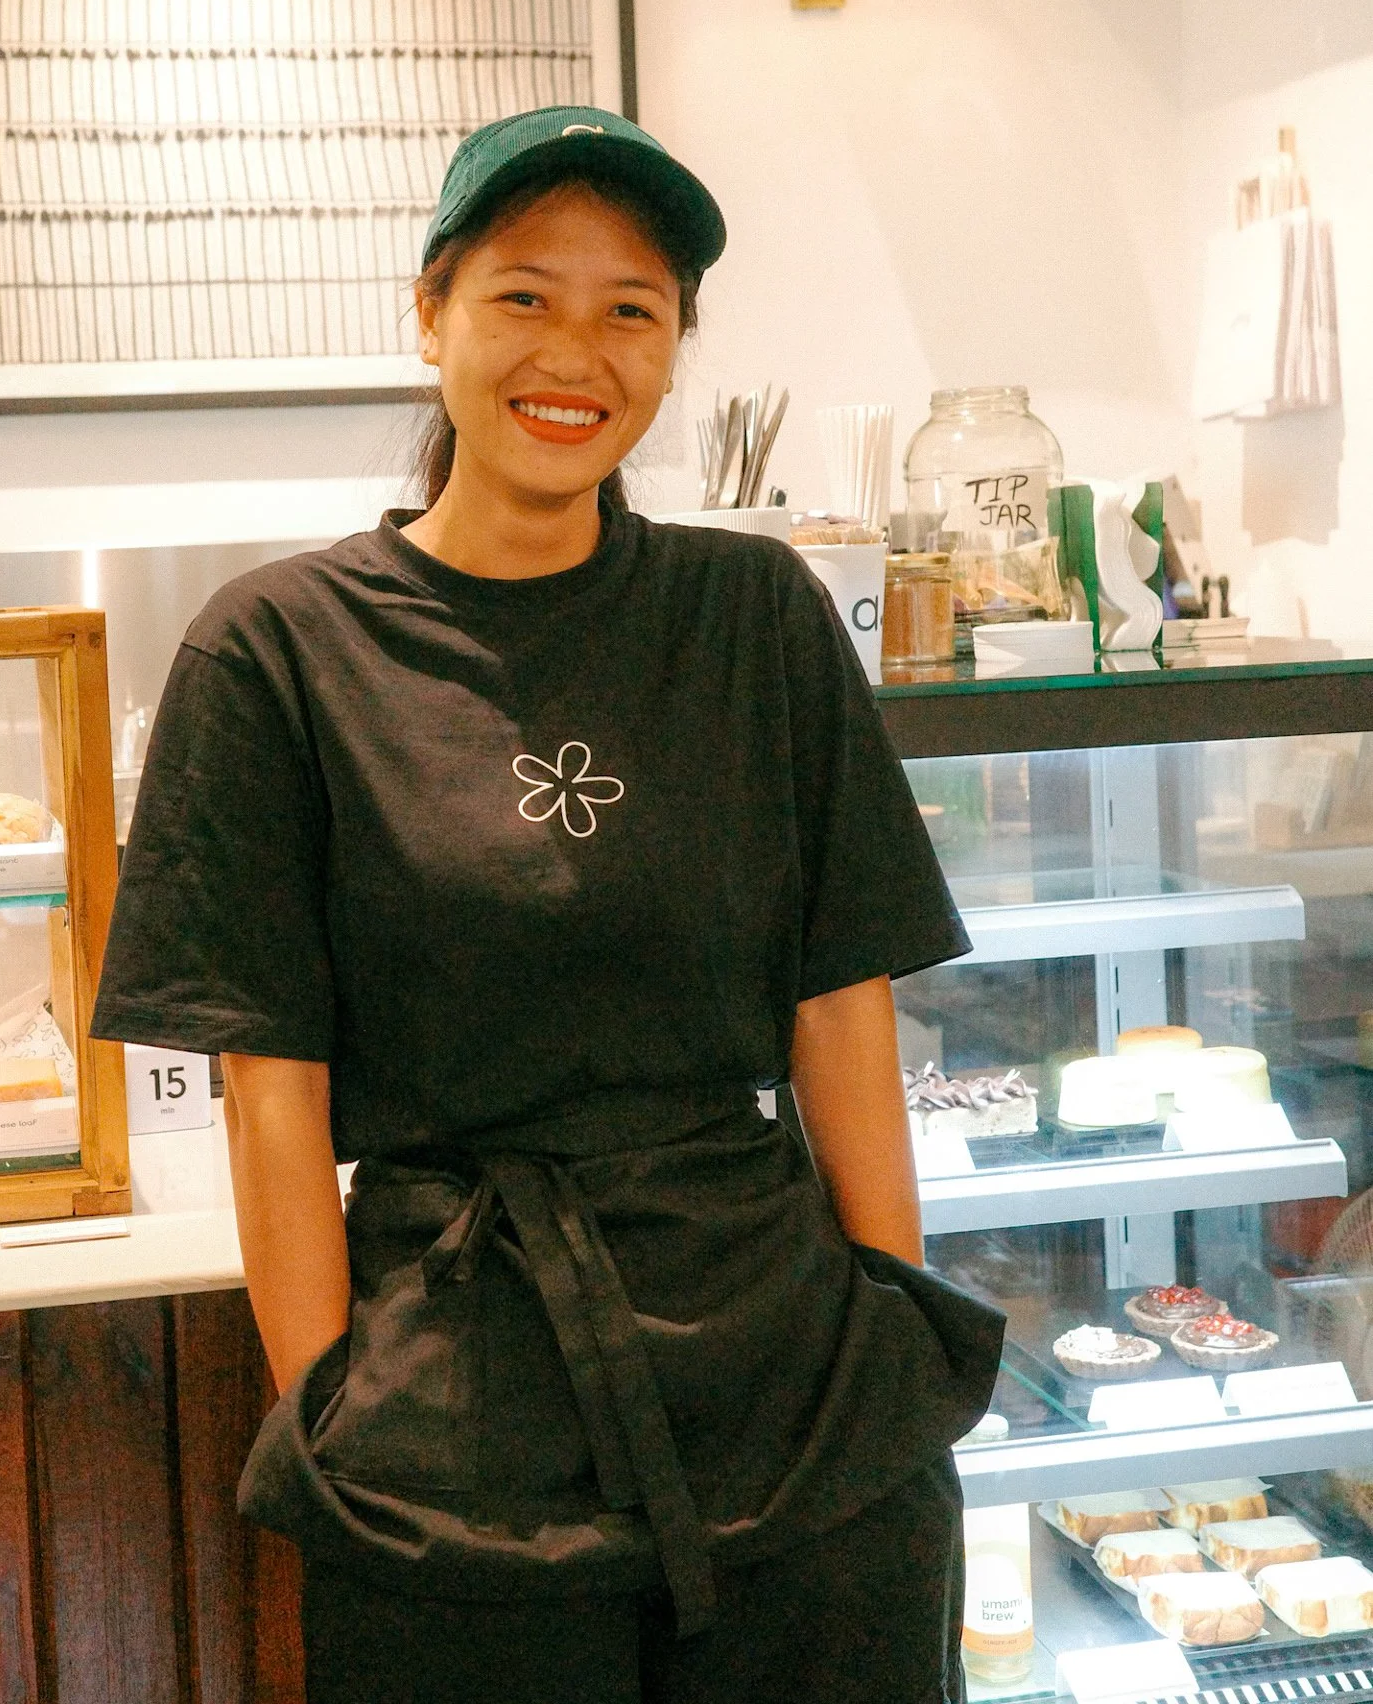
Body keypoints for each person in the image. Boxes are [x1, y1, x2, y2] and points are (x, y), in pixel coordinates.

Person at [91, 105, 1004, 1704]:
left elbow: (838, 1003)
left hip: (789, 1380)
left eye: (628, 309)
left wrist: (889, 1346)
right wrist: (329, 1424)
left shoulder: (751, 614)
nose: (572, 349)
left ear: (669, 353)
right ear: (431, 311)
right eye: (523, 294)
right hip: (452, 1425)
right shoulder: (278, 651)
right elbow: (268, 1094)